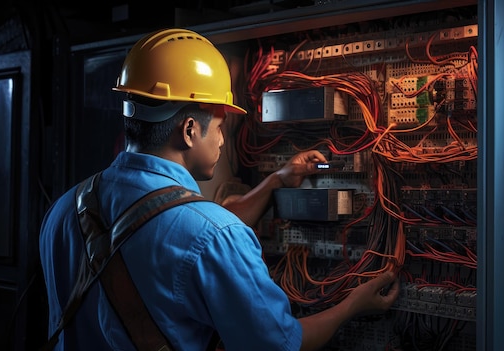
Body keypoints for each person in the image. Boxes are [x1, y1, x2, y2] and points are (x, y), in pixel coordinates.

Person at [39, 28, 400, 351]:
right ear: (190, 129)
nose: (224, 139)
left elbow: (174, 230)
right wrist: (353, 305)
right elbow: (278, 345)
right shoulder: (216, 235)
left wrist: (276, 179)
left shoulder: (63, 211)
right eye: (221, 125)